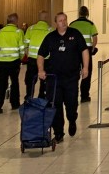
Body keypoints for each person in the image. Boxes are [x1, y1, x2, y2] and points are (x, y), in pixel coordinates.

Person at [36, 11, 90, 142]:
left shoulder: (75, 34)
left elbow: (84, 50)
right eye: (60, 20)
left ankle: (72, 120)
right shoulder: (50, 37)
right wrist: (41, 70)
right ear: (56, 23)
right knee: (55, 105)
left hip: (71, 77)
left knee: (71, 103)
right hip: (54, 78)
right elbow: (41, 55)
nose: (63, 22)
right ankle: (58, 133)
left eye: (65, 20)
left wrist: (85, 67)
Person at [0, 12, 24, 114]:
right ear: (16, 21)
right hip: (14, 62)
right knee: (14, 83)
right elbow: (22, 49)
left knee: (1, 83)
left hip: (2, 62)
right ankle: (15, 104)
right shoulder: (19, 32)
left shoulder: (0, 32)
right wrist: (20, 58)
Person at [69, 6, 98, 103]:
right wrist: (92, 48)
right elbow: (95, 39)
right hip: (87, 50)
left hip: (74, 51)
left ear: (79, 13)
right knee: (87, 72)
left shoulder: (72, 24)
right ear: (87, 13)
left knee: (74, 72)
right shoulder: (90, 24)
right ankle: (84, 96)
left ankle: (73, 94)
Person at [23, 10, 52, 100]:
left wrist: (28, 55)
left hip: (32, 59)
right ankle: (41, 98)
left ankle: (29, 97)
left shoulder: (30, 29)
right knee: (44, 80)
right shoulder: (50, 30)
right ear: (46, 18)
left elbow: (25, 44)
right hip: (45, 59)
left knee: (30, 80)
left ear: (39, 17)